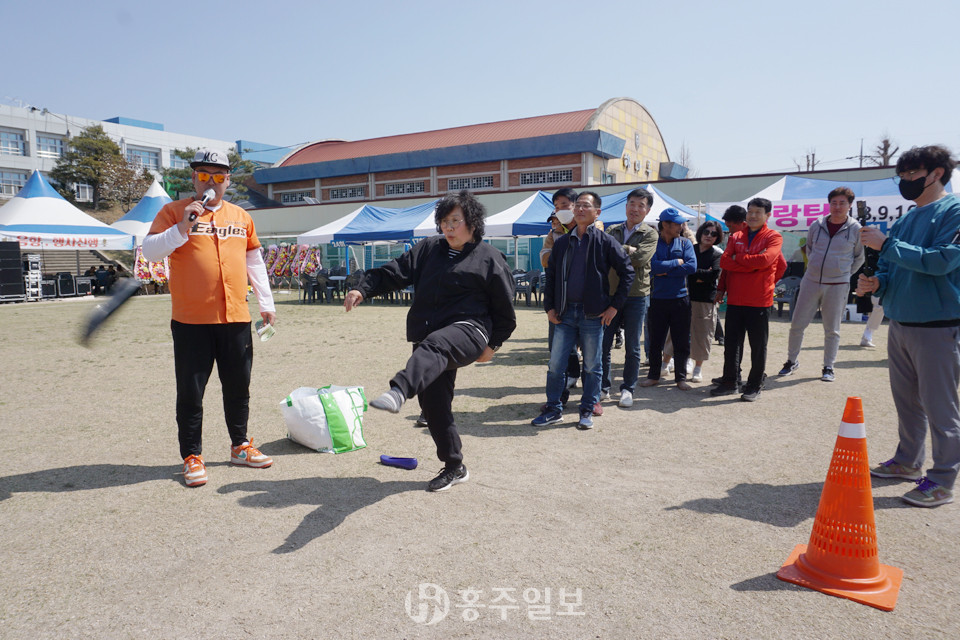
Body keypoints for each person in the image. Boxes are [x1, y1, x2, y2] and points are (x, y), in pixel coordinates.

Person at [344, 190, 517, 492]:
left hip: (470, 328)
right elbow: (393, 273)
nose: (448, 228)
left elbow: (506, 308)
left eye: (455, 221)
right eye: (443, 222)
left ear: (472, 223)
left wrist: (494, 344)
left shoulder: (490, 258)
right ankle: (454, 465)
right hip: (429, 335)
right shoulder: (428, 249)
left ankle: (399, 390)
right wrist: (363, 288)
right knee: (434, 403)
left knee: (436, 344)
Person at [142, 148, 276, 488]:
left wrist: (266, 301)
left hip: (235, 317)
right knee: (191, 392)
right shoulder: (173, 212)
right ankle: (192, 456)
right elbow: (151, 251)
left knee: (238, 387)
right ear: (194, 178)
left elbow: (254, 261)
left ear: (228, 180)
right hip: (191, 320)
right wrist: (185, 225)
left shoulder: (241, 217)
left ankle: (240, 446)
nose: (211, 182)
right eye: (204, 175)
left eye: (219, 176)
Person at [858, 145, 960, 507]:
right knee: (908, 403)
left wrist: (887, 245)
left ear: (936, 174)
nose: (905, 182)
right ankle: (907, 461)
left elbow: (942, 262)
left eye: (911, 175)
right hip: (901, 322)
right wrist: (876, 283)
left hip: (938, 325)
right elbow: (892, 269)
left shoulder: (955, 211)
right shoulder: (905, 220)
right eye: (900, 176)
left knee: (940, 407)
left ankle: (944, 479)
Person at [532, 192, 634, 429]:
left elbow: (628, 272)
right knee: (556, 365)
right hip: (564, 314)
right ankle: (554, 408)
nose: (579, 209)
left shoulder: (606, 241)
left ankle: (587, 408)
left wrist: (613, 307)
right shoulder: (562, 243)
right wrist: (549, 307)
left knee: (592, 365)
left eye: (585, 206)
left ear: (597, 212)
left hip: (593, 314)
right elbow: (552, 276)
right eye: (577, 205)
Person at [780, 187, 864, 382]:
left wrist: (843, 274)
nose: (837, 207)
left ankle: (828, 366)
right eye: (834, 202)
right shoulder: (816, 225)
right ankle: (791, 361)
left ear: (849, 205)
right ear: (829, 204)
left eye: (842, 203)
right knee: (797, 324)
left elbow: (859, 257)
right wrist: (816, 270)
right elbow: (809, 249)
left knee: (832, 328)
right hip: (811, 281)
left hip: (838, 284)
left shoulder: (855, 228)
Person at [710, 198, 786, 402]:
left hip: (759, 300)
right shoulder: (736, 236)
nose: (752, 216)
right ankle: (730, 381)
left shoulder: (774, 236)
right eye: (750, 212)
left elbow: (769, 261)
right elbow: (726, 261)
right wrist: (755, 267)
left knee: (758, 346)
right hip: (735, 299)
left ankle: (754, 384)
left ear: (767, 215)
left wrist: (757, 272)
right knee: (732, 344)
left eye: (757, 212)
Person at [600, 188, 658, 407]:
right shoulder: (612, 229)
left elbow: (640, 259)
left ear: (647, 210)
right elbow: (603, 254)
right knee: (603, 343)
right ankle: (603, 387)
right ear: (625, 206)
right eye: (631, 203)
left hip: (636, 295)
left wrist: (617, 250)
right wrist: (627, 249)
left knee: (632, 345)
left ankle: (627, 388)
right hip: (610, 294)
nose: (635, 208)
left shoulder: (650, 233)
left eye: (640, 205)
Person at [640, 209, 696, 389]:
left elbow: (692, 267)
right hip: (657, 299)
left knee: (681, 340)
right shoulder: (653, 243)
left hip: (681, 299)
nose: (681, 226)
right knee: (655, 341)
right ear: (665, 225)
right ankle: (654, 375)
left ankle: (681, 378)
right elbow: (652, 267)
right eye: (677, 223)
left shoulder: (685, 243)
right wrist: (676, 262)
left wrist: (665, 270)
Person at [664, 220, 724, 382]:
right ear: (700, 233)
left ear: (718, 237)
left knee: (703, 334)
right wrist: (699, 274)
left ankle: (698, 368)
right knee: (674, 331)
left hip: (705, 300)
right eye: (706, 232)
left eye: (714, 234)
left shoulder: (717, 254)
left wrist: (692, 272)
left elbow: (714, 275)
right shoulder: (690, 249)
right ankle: (665, 363)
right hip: (683, 295)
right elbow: (680, 269)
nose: (709, 236)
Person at [540, 188, 581, 401]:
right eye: (557, 206)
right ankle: (558, 398)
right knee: (557, 349)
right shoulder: (554, 232)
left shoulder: (590, 228)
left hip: (585, 300)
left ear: (576, 205)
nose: (560, 210)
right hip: (559, 297)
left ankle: (593, 397)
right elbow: (545, 259)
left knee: (593, 352)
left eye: (564, 205)